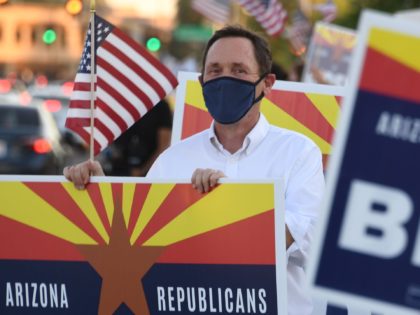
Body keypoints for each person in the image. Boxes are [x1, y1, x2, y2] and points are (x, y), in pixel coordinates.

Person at [64, 25, 324, 315]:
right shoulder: (172, 160)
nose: (225, 79)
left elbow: (307, 241)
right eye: (214, 70)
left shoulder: (298, 152)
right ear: (202, 82)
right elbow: (136, 240)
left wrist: (229, 203)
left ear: (268, 83)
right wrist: (99, 195)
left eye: (239, 70)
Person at [104, 99, 172, 177]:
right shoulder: (117, 105)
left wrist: (143, 170)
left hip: (150, 174)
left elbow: (164, 147)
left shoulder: (161, 107)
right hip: (118, 172)